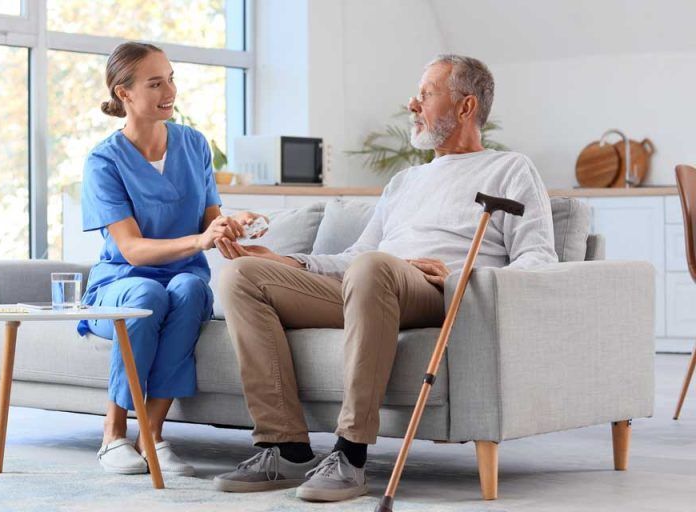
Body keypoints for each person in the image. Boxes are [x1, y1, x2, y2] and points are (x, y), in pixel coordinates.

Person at [211, 54, 558, 502]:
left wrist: (459, 274)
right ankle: (286, 449)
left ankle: (351, 453)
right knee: (243, 276)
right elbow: (358, 255)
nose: (412, 104)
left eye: (426, 94)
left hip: (436, 292)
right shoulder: (406, 181)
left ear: (466, 107)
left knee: (375, 268)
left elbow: (538, 260)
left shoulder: (511, 169)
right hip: (368, 284)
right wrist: (288, 262)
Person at [79, 41, 265, 476]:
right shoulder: (103, 161)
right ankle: (113, 435)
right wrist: (199, 240)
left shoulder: (193, 145)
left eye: (172, 78)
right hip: (120, 283)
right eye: (155, 82)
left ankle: (152, 437)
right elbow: (131, 249)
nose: (170, 90)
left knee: (187, 287)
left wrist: (235, 225)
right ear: (123, 93)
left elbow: (211, 219)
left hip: (183, 276)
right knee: (147, 292)